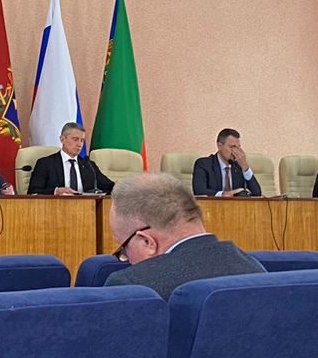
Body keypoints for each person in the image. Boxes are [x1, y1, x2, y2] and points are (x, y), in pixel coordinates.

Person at [105, 174, 263, 300]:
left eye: (124, 249)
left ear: (147, 242)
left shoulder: (134, 286)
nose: (127, 260)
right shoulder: (254, 268)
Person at [26, 122, 115, 196]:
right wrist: (56, 191)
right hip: (55, 207)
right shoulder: (46, 163)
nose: (79, 144)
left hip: (86, 207)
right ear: (62, 139)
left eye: (82, 140)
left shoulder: (88, 165)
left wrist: (119, 186)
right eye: (75, 139)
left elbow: (109, 186)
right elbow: (33, 191)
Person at [192, 129, 263, 197]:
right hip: (212, 204)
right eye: (232, 147)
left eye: (238, 147)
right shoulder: (204, 164)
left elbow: (257, 193)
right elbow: (199, 191)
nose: (236, 151)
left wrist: (245, 166)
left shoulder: (238, 166)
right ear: (219, 146)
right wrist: (224, 194)